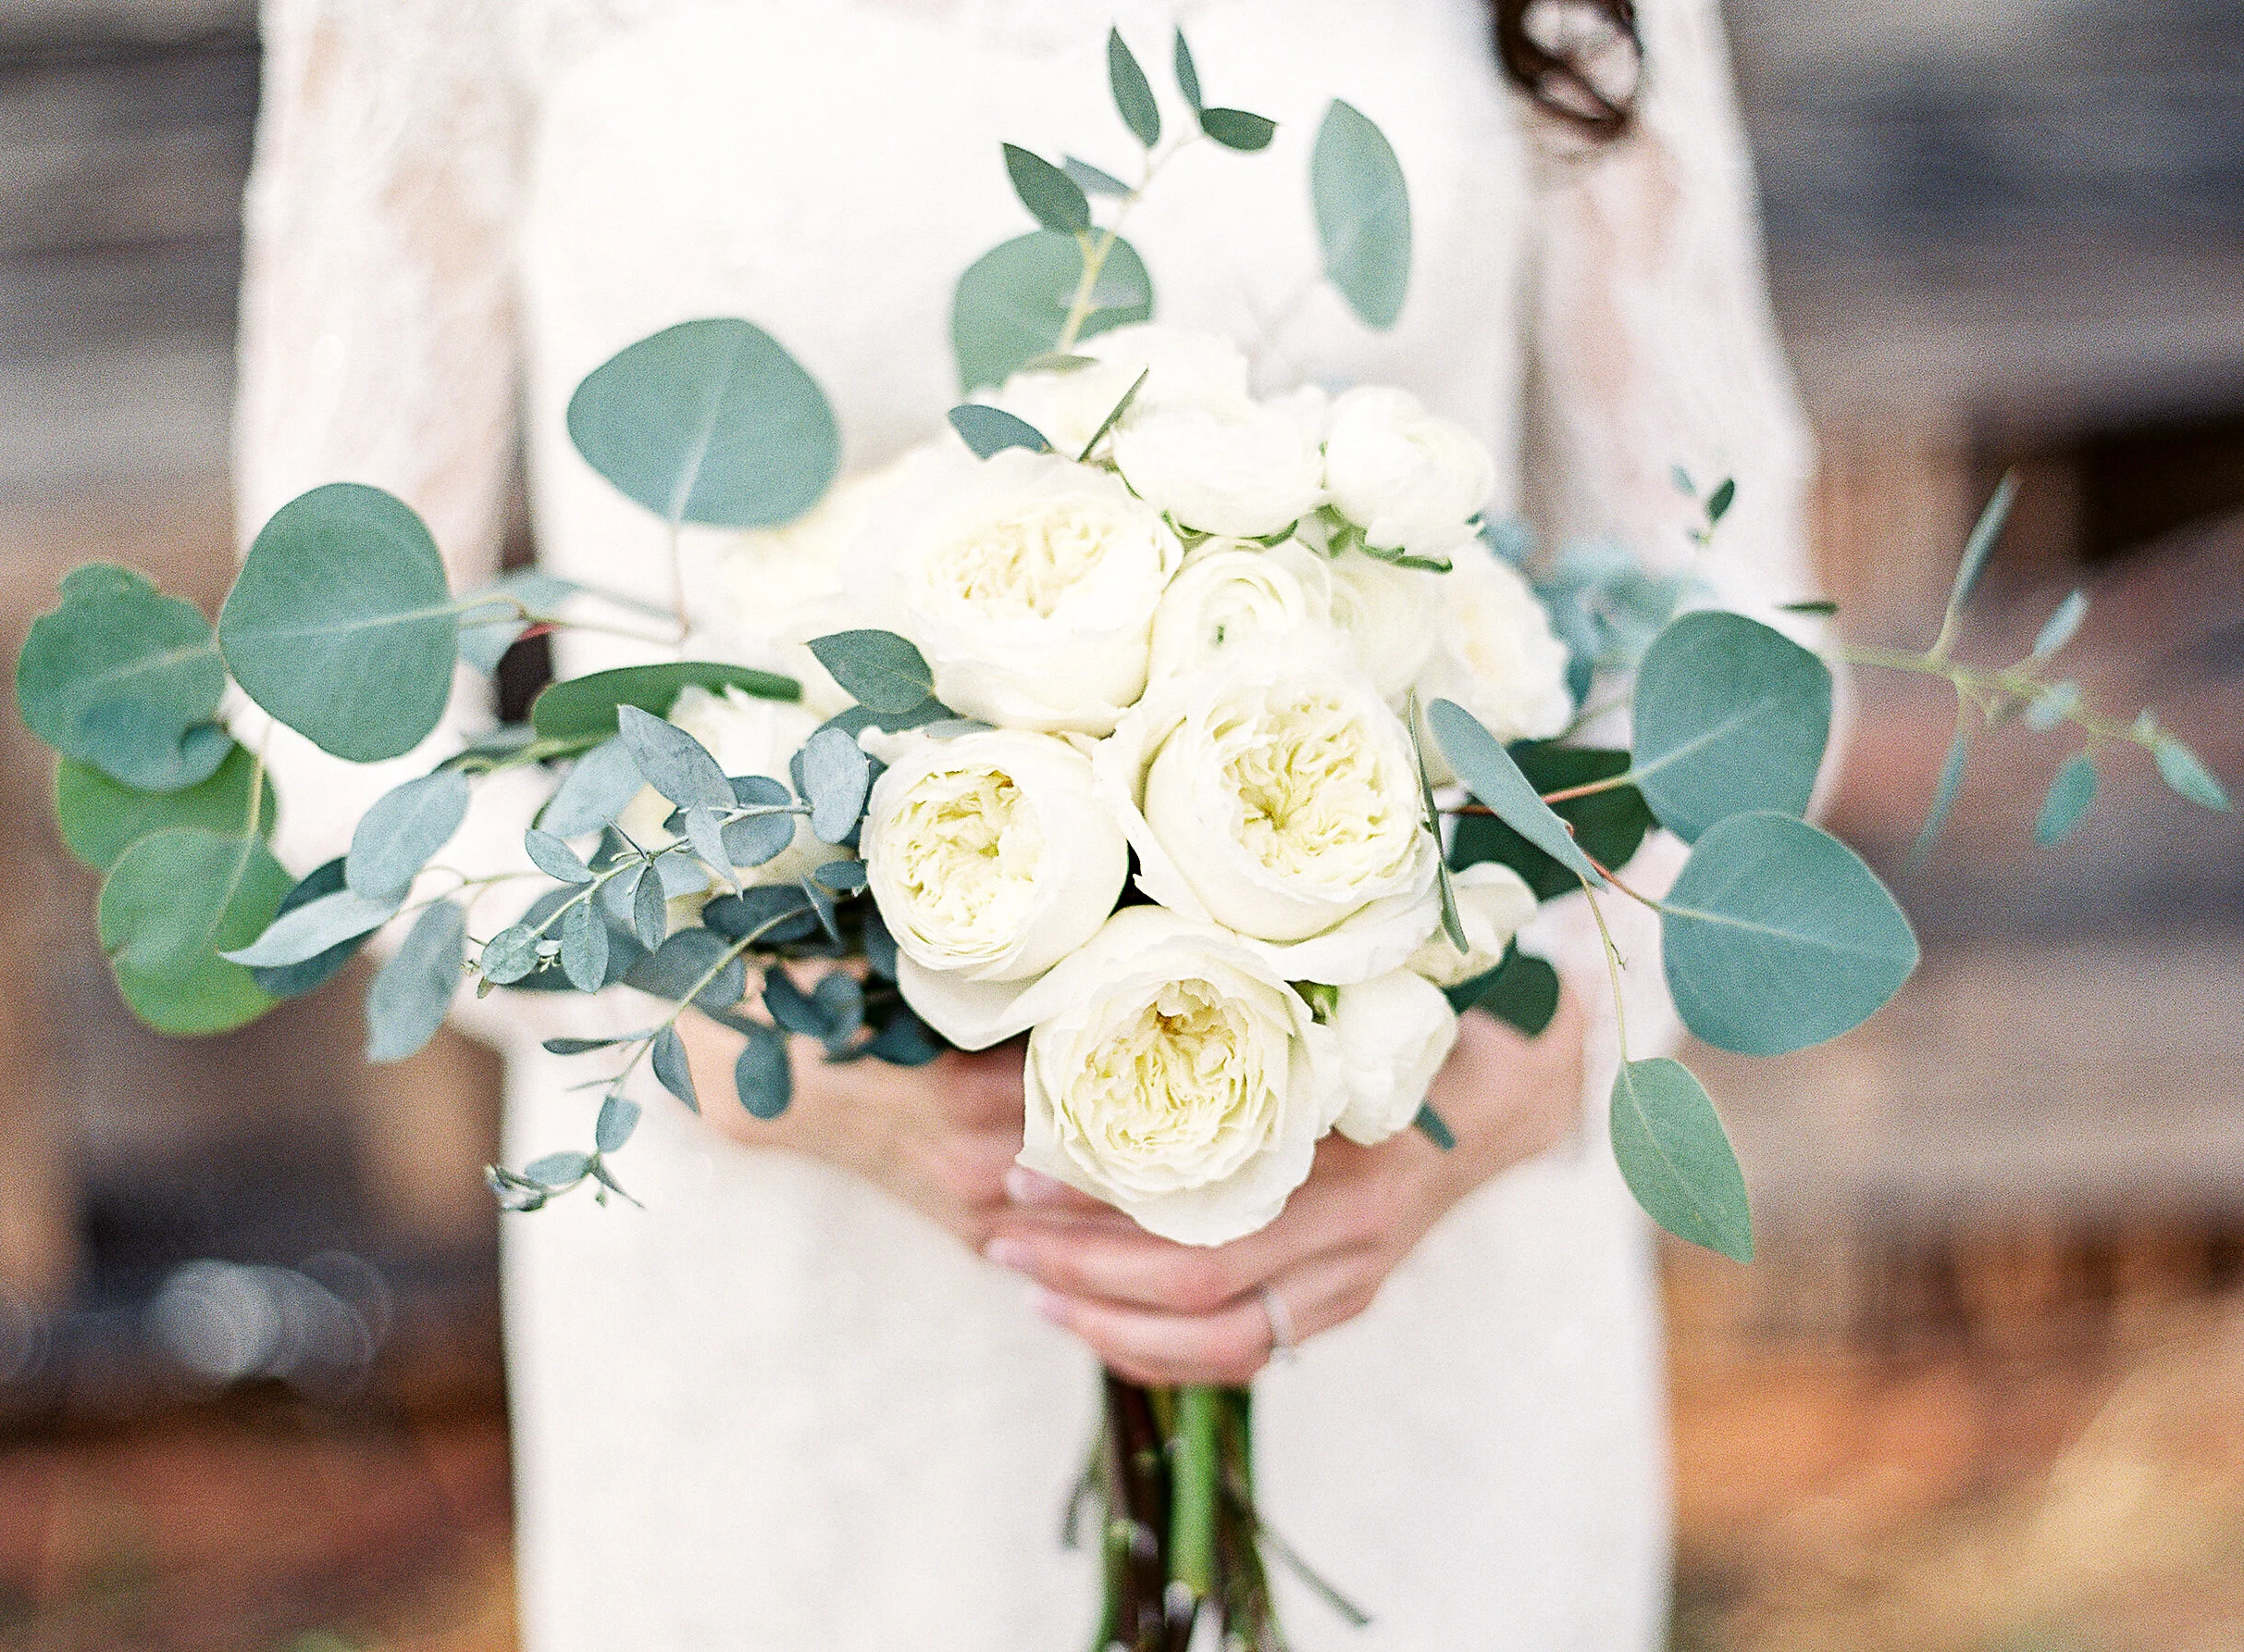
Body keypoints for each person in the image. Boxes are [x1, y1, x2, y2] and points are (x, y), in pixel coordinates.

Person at [234, 0, 1811, 1645]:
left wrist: (1510, 1077)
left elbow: (1743, 635)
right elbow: (318, 699)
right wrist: (732, 1052)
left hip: (1406, 1238)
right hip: (786, 1326)